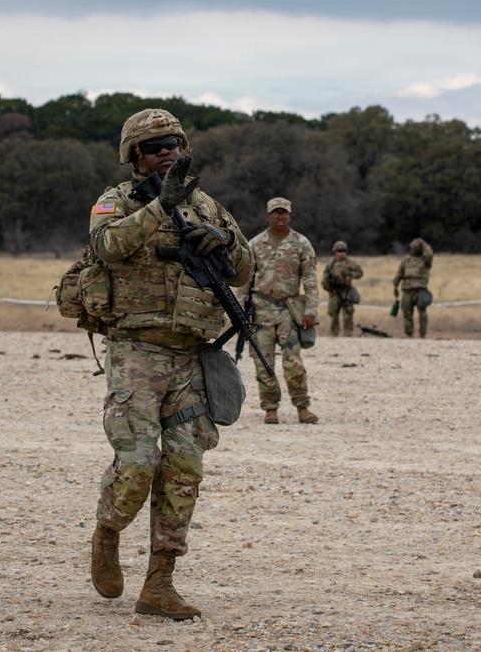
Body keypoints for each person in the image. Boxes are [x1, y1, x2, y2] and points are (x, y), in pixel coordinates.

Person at [87, 108, 253, 620]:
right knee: (137, 465)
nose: (167, 151)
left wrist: (223, 242)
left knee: (185, 467)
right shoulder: (115, 202)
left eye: (174, 142)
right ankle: (108, 531)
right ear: (134, 156)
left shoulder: (207, 205)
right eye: (155, 145)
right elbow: (106, 247)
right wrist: (162, 208)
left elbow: (245, 268)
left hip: (191, 353)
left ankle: (159, 583)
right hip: (137, 350)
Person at [246, 197, 319, 424]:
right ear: (268, 216)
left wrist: (311, 311)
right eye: (276, 213)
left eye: (284, 213)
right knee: (262, 361)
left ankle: (302, 407)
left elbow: (310, 280)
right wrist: (241, 313)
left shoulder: (301, 243)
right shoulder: (255, 244)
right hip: (260, 311)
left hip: (289, 310)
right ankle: (270, 408)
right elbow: (244, 280)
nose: (280, 216)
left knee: (293, 361)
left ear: (290, 215)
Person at [392, 237, 434, 338]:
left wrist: (424, 244)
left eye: (415, 249)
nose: (412, 251)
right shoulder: (406, 260)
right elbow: (399, 273)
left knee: (422, 313)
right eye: (411, 249)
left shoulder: (425, 260)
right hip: (407, 290)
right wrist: (395, 286)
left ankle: (422, 334)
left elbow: (430, 254)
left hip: (420, 290)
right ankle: (409, 334)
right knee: (407, 313)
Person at [322, 240, 364, 337]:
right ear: (335, 252)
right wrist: (327, 283)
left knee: (348, 314)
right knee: (333, 314)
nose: (341, 253)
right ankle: (334, 333)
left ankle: (348, 333)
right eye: (339, 251)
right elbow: (325, 275)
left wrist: (348, 276)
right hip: (334, 292)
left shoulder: (350, 263)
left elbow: (360, 273)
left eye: (343, 251)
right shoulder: (331, 263)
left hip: (346, 292)